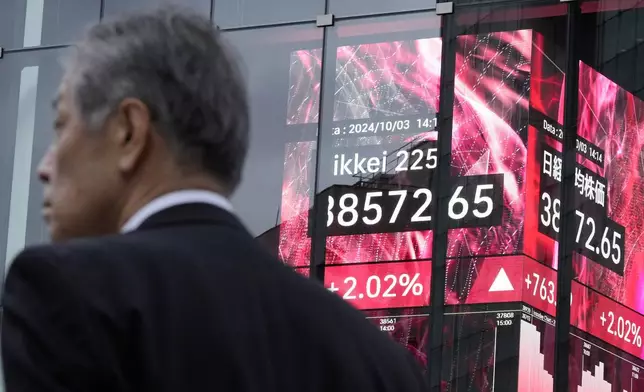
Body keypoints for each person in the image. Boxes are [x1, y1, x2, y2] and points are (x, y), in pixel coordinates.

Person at [1, 7, 427, 392]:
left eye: (60, 127)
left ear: (129, 131)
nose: (45, 165)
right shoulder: (380, 361)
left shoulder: (72, 294)